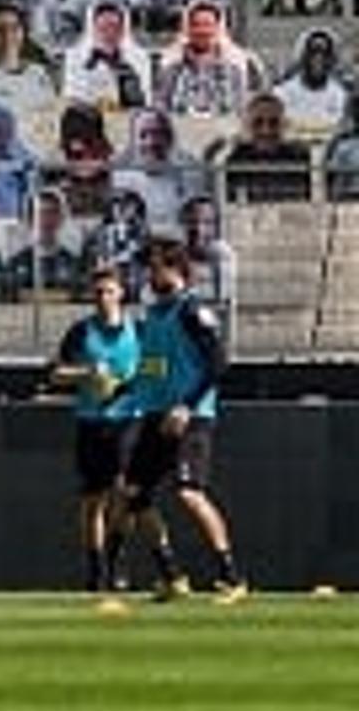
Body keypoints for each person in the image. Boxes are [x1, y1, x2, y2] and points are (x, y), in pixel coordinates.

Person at [110, 239, 247, 604]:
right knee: (134, 496)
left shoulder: (192, 311)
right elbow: (155, 368)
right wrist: (122, 388)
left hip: (190, 417)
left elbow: (218, 363)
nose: (150, 275)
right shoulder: (153, 317)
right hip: (156, 416)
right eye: (148, 268)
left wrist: (187, 405)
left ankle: (231, 576)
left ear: (176, 270)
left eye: (156, 268)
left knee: (189, 492)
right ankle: (172, 576)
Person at [50, 266, 140, 597]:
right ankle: (95, 569)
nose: (103, 298)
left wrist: (127, 381)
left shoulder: (138, 330)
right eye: (98, 292)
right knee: (92, 501)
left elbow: (158, 366)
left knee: (123, 492)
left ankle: (118, 561)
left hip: (127, 419)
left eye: (109, 291)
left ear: (121, 294)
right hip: (90, 421)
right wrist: (87, 372)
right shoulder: (80, 332)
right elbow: (55, 372)